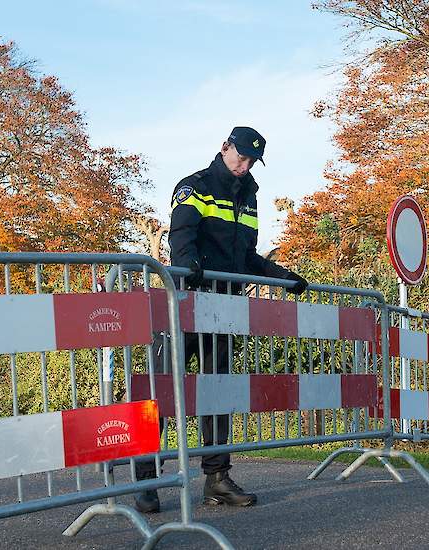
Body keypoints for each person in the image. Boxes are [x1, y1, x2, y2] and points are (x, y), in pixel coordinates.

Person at [134, 126, 308, 513]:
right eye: (240, 156)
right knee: (161, 392)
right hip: (184, 303)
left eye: (251, 161)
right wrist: (189, 265)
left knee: (217, 394)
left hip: (225, 311)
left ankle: (217, 479)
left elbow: (247, 256)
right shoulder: (194, 186)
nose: (244, 166)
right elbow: (182, 237)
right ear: (225, 147)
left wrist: (282, 277)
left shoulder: (249, 198)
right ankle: (145, 479)